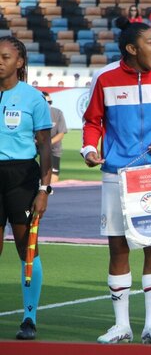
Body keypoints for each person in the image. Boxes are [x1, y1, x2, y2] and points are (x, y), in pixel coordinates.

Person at [81, 17, 151, 346]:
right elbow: (92, 120)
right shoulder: (105, 78)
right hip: (116, 174)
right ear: (131, 48)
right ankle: (121, 325)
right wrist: (88, 149)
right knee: (118, 248)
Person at [0, 36, 52, 340]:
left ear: (20, 63)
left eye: (6, 57)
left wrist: (45, 189)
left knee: (26, 247)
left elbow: (45, 147)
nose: (0, 61)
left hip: (21, 175)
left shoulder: (33, 98)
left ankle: (29, 318)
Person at [42, 91, 67, 184]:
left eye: (50, 102)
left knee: (54, 175)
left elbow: (61, 133)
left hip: (53, 148)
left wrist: (48, 143)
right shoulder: (32, 113)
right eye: (45, 102)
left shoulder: (57, 113)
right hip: (34, 146)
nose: (48, 105)